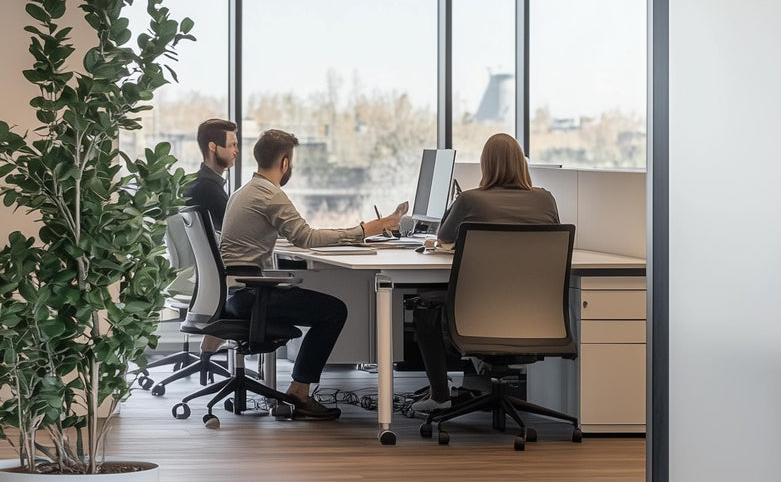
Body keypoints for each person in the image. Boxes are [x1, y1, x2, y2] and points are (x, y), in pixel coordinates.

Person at [220, 128, 408, 420]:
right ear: (285, 163)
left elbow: (290, 235)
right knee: (334, 311)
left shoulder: (244, 192)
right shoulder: (271, 195)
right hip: (251, 295)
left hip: (235, 293)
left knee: (324, 306)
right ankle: (299, 390)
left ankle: (299, 388)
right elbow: (306, 237)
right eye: (291, 160)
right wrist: (365, 230)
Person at [411, 133, 560, 416]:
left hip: (476, 317)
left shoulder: (471, 200)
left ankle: (440, 397)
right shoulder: (546, 200)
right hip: (534, 318)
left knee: (424, 306)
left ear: (486, 165)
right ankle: (481, 366)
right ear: (522, 164)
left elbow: (443, 237)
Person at [184, 118, 238, 231]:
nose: (236, 150)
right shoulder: (210, 190)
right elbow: (235, 232)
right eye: (232, 145)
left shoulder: (193, 183)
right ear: (213, 147)